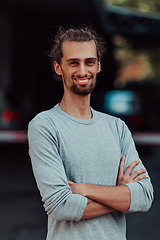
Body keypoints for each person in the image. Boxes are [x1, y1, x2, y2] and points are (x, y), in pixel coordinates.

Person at [28, 26, 153, 240]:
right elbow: (61, 206)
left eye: (89, 62)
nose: (83, 71)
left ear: (98, 66)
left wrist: (84, 189)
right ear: (58, 68)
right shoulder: (45, 125)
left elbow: (144, 197)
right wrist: (120, 196)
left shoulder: (117, 127)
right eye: (73, 63)